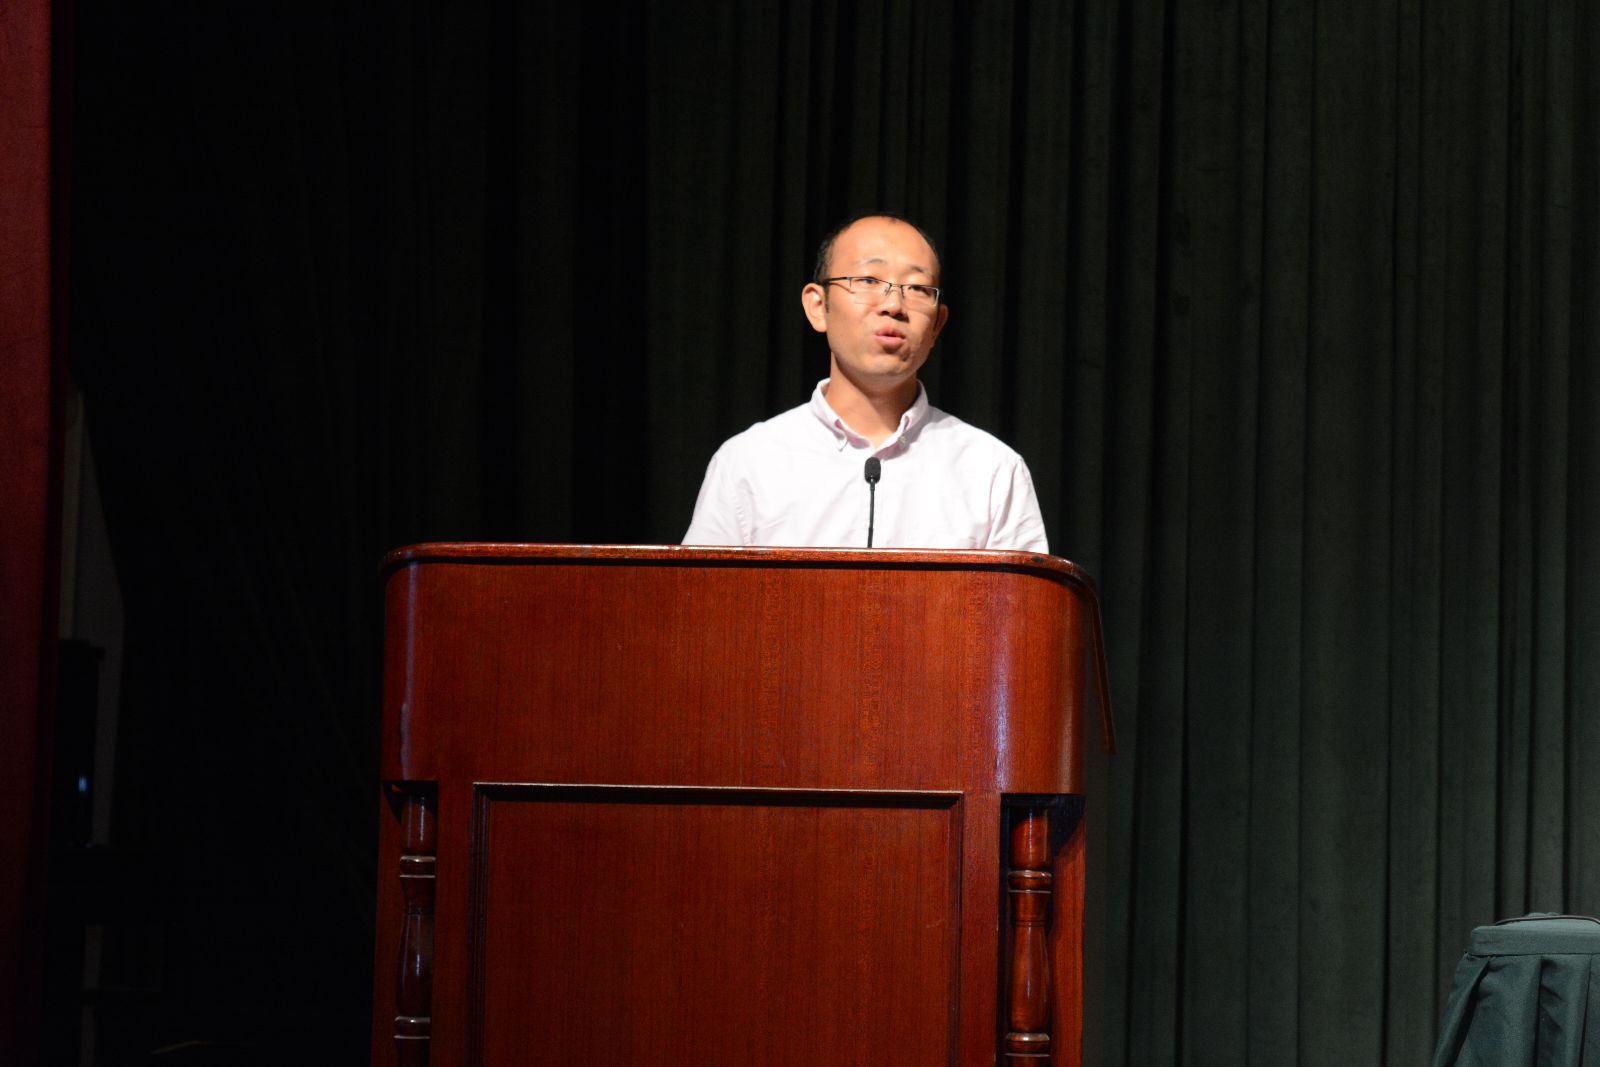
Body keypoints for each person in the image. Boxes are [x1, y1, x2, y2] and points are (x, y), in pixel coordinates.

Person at [682, 212, 1049, 553]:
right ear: (817, 306)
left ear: (937, 324)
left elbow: (1024, 603)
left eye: (917, 288)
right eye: (869, 281)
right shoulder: (749, 461)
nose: (894, 305)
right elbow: (699, 597)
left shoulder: (992, 471)